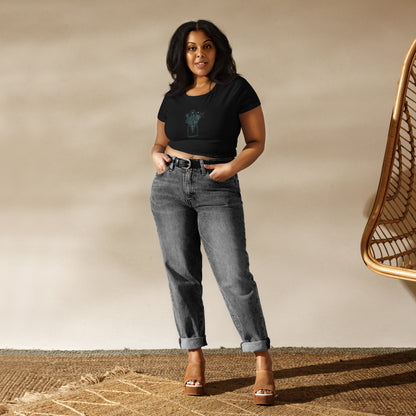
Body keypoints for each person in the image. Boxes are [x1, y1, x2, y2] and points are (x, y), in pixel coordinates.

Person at [150, 19, 275, 405]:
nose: (199, 54)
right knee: (182, 274)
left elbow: (256, 141)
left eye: (206, 46)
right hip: (169, 187)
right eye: (191, 48)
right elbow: (159, 142)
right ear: (181, 54)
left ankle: (262, 360)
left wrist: (231, 168)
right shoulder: (173, 96)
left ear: (217, 50)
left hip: (216, 184)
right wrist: (156, 157)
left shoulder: (237, 89)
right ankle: (194, 357)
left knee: (235, 274)